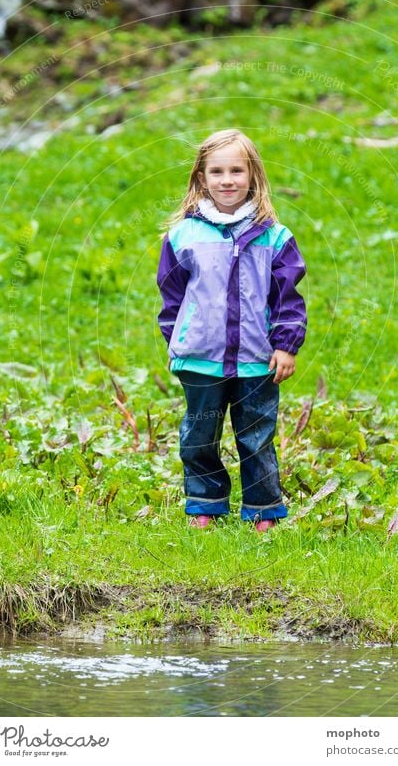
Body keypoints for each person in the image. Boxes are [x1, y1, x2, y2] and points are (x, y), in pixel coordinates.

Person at [156, 129, 307, 531]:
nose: (227, 180)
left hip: (257, 361)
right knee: (199, 434)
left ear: (253, 175)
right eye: (217, 171)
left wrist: (286, 346)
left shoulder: (275, 237)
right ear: (201, 178)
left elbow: (287, 297)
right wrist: (176, 339)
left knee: (256, 436)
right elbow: (171, 295)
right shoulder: (183, 235)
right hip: (200, 359)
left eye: (237, 170)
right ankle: (204, 505)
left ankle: (263, 512)